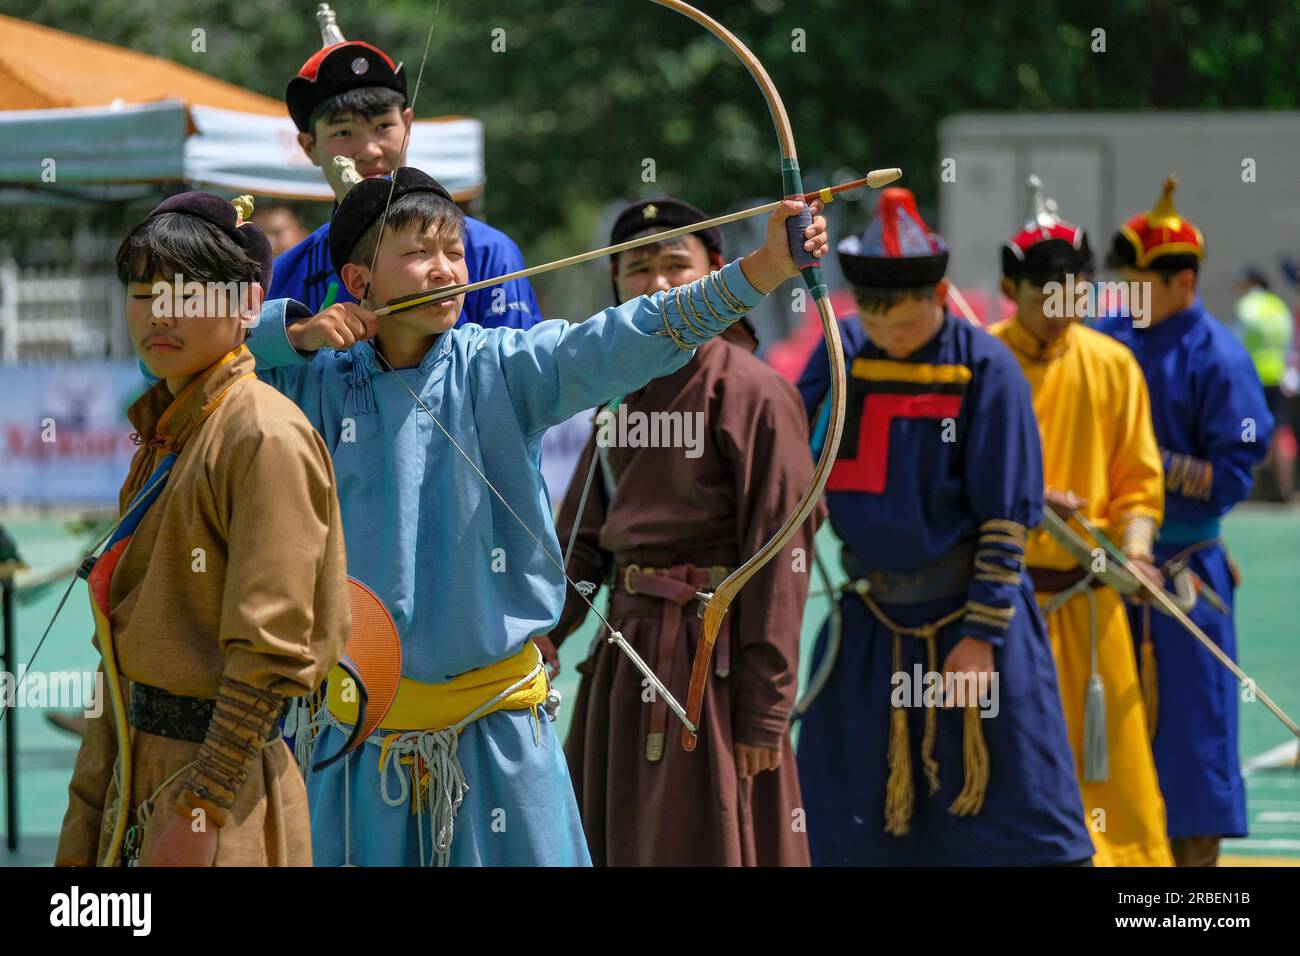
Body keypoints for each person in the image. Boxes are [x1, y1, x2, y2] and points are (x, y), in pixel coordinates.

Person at [244, 168, 829, 866]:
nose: (444, 268)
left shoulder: (507, 367)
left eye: (453, 251)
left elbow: (630, 335)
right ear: (360, 281)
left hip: (498, 733)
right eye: (418, 252)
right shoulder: (312, 381)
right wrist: (295, 335)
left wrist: (764, 267)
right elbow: (181, 358)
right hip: (359, 741)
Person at [795, 188, 1092, 866]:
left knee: (1021, 827)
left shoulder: (987, 369)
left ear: (939, 293)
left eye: (901, 319)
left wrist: (982, 637)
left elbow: (1005, 516)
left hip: (974, 626)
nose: (886, 332)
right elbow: (786, 452)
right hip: (871, 627)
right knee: (846, 825)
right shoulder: (842, 350)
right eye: (871, 314)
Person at [56, 193, 348, 866]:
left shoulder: (262, 433)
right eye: (142, 291)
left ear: (249, 305)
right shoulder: (168, 428)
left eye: (188, 293)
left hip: (220, 794)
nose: (160, 313)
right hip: (138, 768)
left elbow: (269, 653)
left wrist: (200, 811)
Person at [540, 198, 815, 866]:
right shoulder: (616, 395)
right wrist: (544, 634)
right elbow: (583, 544)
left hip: (714, 672)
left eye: (675, 265)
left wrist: (764, 713)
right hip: (625, 663)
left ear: (718, 271)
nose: (657, 284)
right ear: (615, 284)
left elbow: (782, 565)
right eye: (638, 269)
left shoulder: (756, 393)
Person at [989, 177, 1173, 866]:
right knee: (1001, 763)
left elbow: (1138, 484)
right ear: (1012, 291)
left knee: (1114, 781)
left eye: (1074, 297)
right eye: (1045, 298)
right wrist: (1028, 495)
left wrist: (1135, 550)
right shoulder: (981, 361)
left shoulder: (1114, 364)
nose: (1061, 312)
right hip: (1001, 603)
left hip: (1094, 602)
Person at [1096, 177, 1274, 867]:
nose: (1127, 294)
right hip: (1102, 571)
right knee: (1099, 740)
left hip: (1184, 579)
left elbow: (1229, 478)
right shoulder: (1104, 336)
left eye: (1140, 282)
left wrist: (1140, 453)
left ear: (1183, 281)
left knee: (1192, 747)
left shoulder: (1221, 358)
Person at [271, 12, 539, 329]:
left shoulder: (486, 251)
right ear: (309, 147)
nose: (370, 151)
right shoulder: (287, 272)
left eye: (384, 126)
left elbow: (514, 370)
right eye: (343, 133)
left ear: (408, 125)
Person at [1231, 265, 1293, 501]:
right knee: (1280, 433)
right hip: (1277, 378)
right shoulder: (1278, 307)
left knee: (1248, 431)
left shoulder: (1246, 307)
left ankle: (1247, 488)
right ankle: (1284, 488)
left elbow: (1233, 345)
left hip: (1251, 381)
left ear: (1251, 282)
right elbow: (1287, 343)